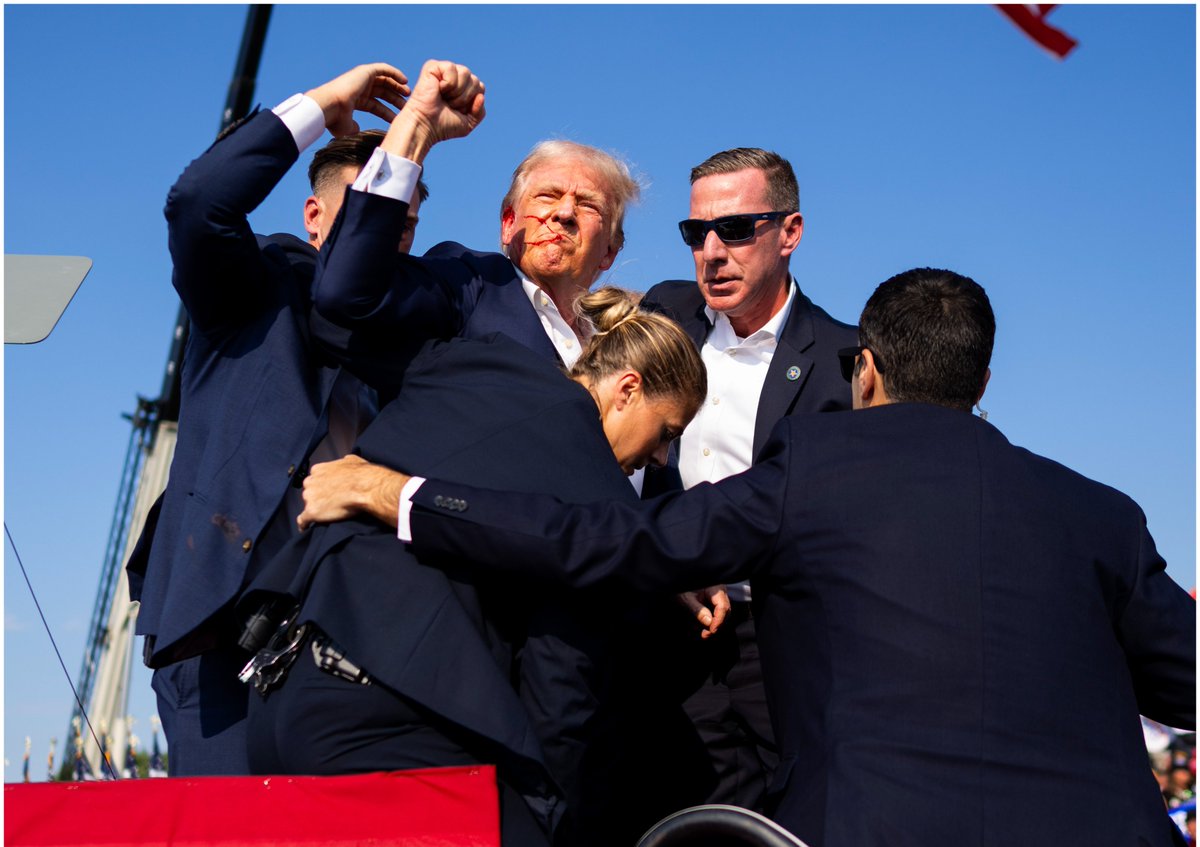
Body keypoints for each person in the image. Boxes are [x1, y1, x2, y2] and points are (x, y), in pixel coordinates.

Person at [386, 268, 1196, 847]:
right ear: (982, 380)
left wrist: (409, 497)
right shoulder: (1104, 516)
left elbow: (611, 540)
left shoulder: (815, 467)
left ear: (866, 369)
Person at [238, 288, 705, 846]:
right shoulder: (601, 500)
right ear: (627, 389)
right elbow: (561, 684)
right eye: (668, 433)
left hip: (282, 690)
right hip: (390, 725)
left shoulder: (478, 360)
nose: (660, 459)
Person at [126, 63, 427, 776]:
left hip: (358, 634)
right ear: (314, 218)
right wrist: (323, 106)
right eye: (365, 210)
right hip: (222, 633)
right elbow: (198, 202)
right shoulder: (251, 290)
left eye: (404, 222)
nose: (387, 234)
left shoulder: (420, 331)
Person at [638, 147, 858, 813]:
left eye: (735, 229)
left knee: (796, 814)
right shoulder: (663, 316)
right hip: (667, 628)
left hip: (781, 640)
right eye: (695, 232)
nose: (711, 250)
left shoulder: (845, 361)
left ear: (790, 232)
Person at [307, 59, 640, 379]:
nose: (564, 213)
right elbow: (347, 290)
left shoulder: (622, 346)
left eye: (587, 206)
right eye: (547, 196)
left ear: (611, 250)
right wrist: (416, 129)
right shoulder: (468, 282)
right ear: (509, 224)